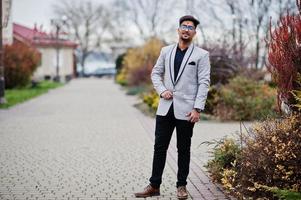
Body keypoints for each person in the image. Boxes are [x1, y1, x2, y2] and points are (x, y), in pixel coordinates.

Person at [134, 15, 211, 199]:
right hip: (165, 108)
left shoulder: (201, 55)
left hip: (187, 110)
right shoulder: (166, 51)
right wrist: (161, 91)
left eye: (190, 27)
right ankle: (154, 186)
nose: (186, 29)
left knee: (183, 149)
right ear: (178, 30)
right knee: (159, 147)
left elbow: (204, 83)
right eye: (183, 26)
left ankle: (181, 186)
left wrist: (197, 108)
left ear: (194, 32)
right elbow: (155, 74)